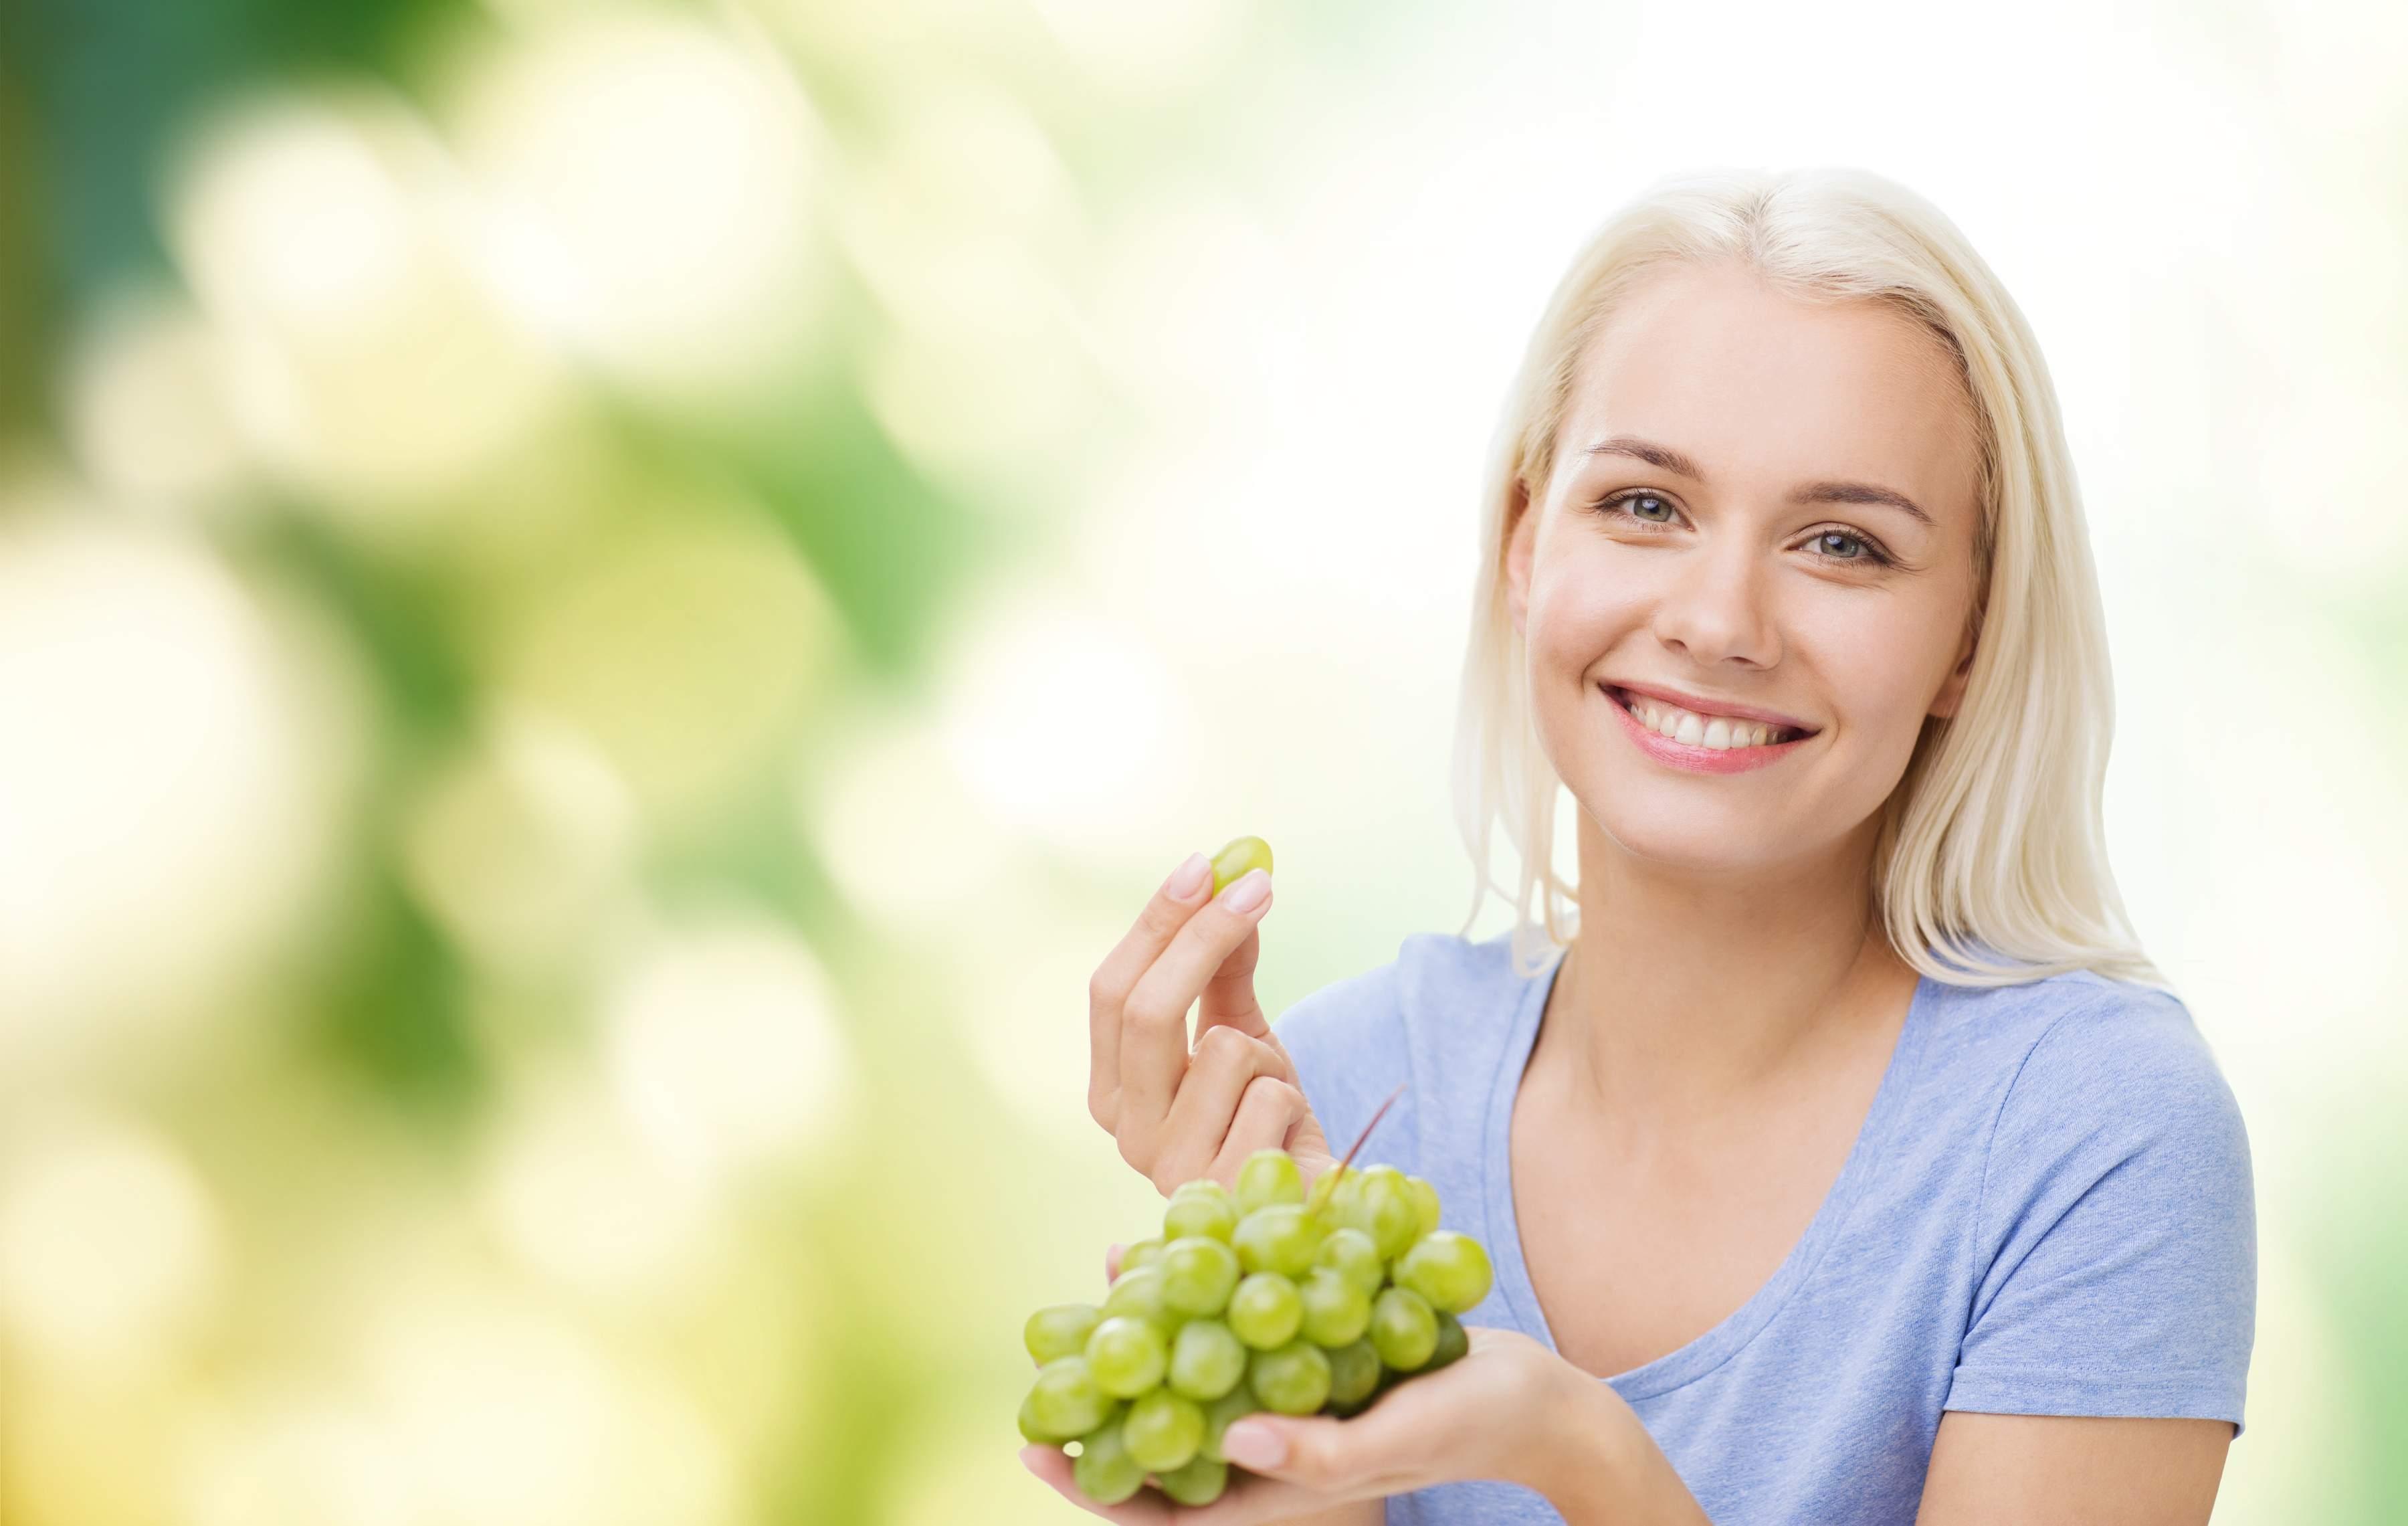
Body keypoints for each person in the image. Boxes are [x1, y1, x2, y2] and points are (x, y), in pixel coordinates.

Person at [1024, 166, 2255, 1525]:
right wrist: (1301, 1430)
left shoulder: (2092, 1132)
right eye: (1646, 507)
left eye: (1842, 543)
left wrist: (1573, 1444)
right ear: (1521, 547)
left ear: (1968, 636)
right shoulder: (1348, 1093)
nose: (1721, 620)